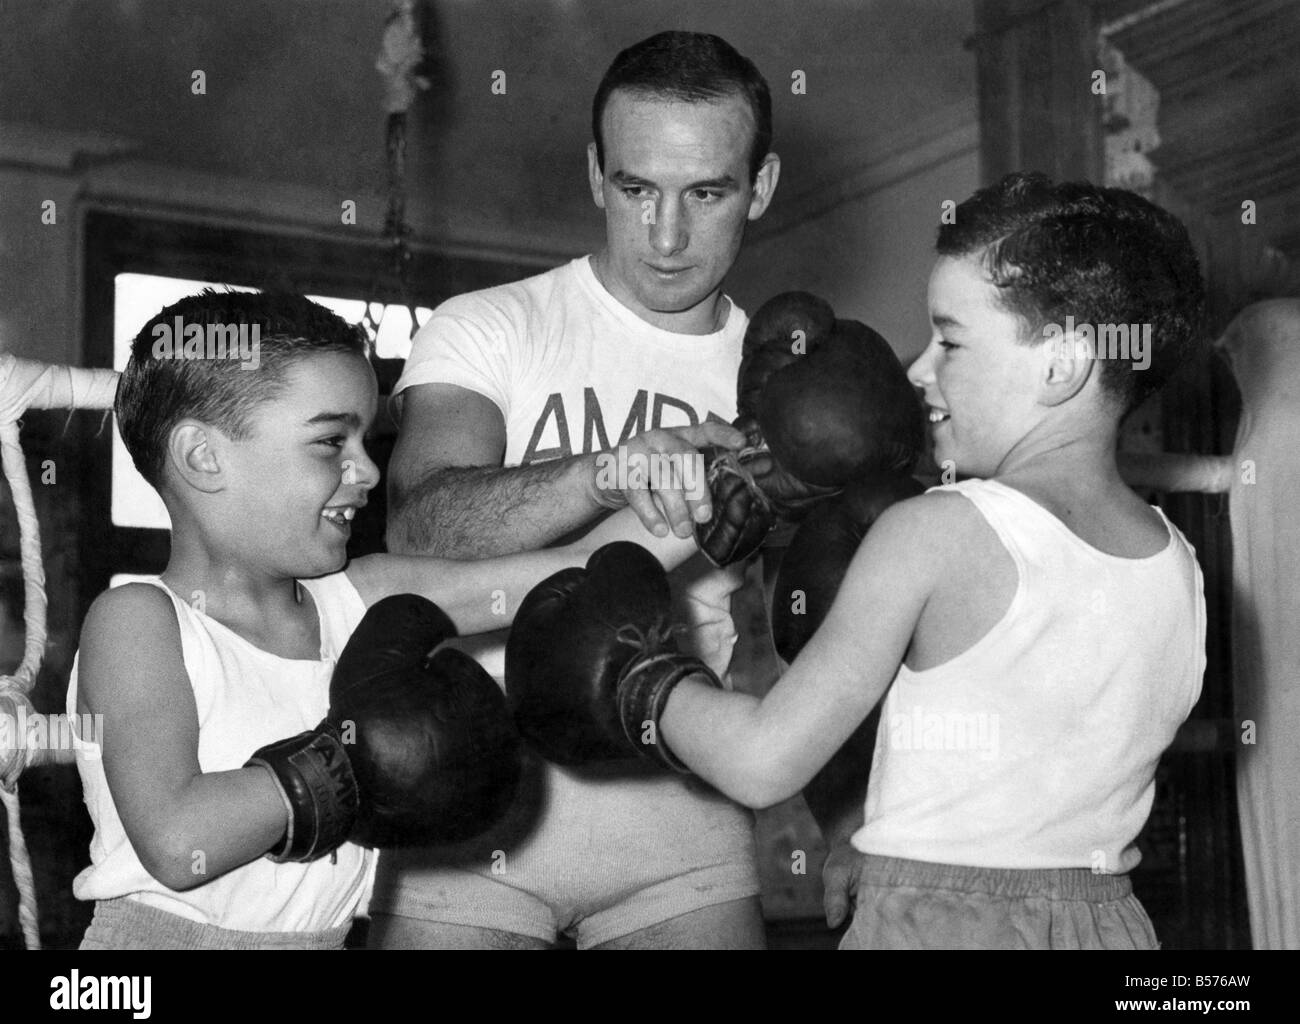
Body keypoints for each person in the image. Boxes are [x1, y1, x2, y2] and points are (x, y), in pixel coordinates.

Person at [506, 172, 1210, 950]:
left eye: (951, 340)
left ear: (1062, 364)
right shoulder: (1179, 561)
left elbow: (764, 759)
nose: (919, 370)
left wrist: (640, 684)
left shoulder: (933, 530)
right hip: (1109, 923)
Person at [69, 289, 701, 950]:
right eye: (329, 442)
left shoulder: (359, 597)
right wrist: (347, 756)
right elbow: (176, 838)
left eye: (365, 439)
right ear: (204, 456)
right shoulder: (138, 621)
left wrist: (725, 482)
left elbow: (575, 569)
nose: (367, 469)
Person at [372, 30, 781, 950]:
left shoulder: (782, 382)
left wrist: (856, 823)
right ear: (598, 175)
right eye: (637, 189)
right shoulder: (488, 325)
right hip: (468, 823)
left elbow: (841, 619)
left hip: (683, 824)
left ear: (760, 187)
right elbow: (420, 524)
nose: (667, 236)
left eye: (706, 193)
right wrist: (609, 468)